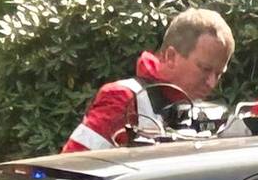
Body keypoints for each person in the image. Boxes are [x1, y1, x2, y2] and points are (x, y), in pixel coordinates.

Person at [61, 8, 236, 151]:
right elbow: (73, 170)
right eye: (205, 69)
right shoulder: (124, 99)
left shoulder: (199, 111)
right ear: (170, 56)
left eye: (219, 74)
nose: (212, 83)